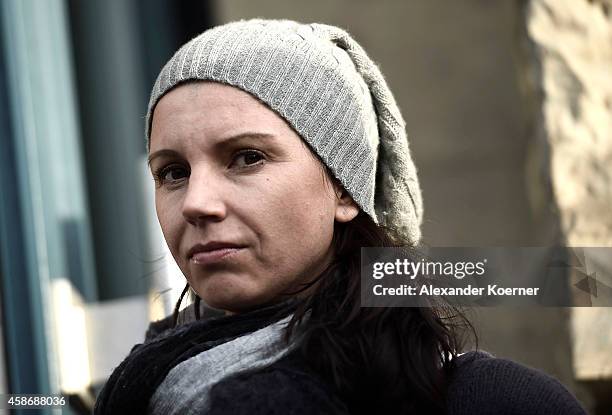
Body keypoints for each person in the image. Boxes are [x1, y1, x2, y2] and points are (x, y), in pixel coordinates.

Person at [93, 19, 587, 414]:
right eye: (173, 172)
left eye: (247, 157)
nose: (197, 202)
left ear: (345, 190)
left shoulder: (494, 402)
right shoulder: (157, 376)